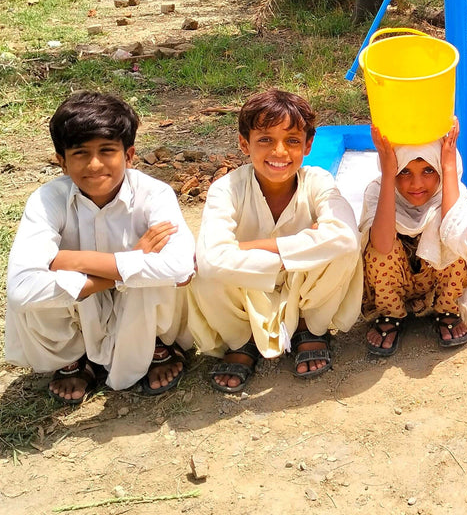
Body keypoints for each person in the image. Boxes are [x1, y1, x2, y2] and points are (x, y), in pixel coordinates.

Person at [6, 91, 195, 404]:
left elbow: (181, 267)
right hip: (81, 306)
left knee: (155, 279)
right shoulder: (47, 200)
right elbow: (21, 288)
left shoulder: (154, 194)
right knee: (39, 292)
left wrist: (75, 260)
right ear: (62, 162)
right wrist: (129, 264)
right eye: (80, 153)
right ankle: (74, 359)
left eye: (107, 150)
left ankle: (158, 345)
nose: (94, 165)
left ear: (129, 155)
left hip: (136, 302)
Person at [187, 90, 361, 392]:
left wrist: (245, 248)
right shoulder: (226, 189)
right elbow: (212, 258)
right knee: (202, 270)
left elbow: (345, 237)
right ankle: (242, 341)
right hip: (247, 285)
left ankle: (310, 329)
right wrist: (308, 242)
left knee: (344, 250)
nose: (279, 152)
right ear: (245, 144)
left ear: (307, 145)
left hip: (302, 283)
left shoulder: (317, 181)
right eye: (265, 139)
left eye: (292, 140)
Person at [360, 119, 467, 356]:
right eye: (404, 171)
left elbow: (455, 234)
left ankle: (446, 309)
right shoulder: (378, 191)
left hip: (434, 283)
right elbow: (383, 245)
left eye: (429, 170)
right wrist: (389, 175)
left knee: (459, 232)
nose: (416, 184)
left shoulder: (449, 191)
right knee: (378, 250)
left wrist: (448, 164)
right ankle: (391, 313)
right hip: (395, 283)